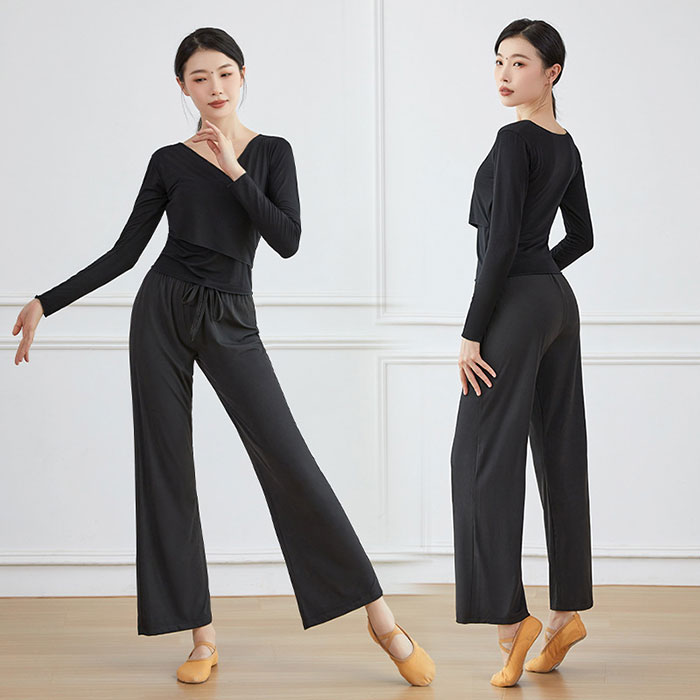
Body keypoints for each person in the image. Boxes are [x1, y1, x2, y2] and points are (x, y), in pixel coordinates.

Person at [12, 27, 435, 687]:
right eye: (199, 78)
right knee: (166, 469)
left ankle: (382, 621)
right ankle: (201, 637)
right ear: (182, 87)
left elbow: (287, 239)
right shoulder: (167, 161)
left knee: (289, 457)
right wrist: (48, 301)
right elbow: (126, 253)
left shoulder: (271, 153)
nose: (214, 87)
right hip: (161, 311)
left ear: (243, 76)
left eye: (225, 73)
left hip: (231, 315)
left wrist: (234, 167)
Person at [450, 19, 594, 688]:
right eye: (499, 61)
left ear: (551, 72)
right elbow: (582, 237)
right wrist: (543, 277)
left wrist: (474, 329)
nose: (505, 74)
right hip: (557, 304)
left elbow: (502, 241)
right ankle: (566, 613)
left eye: (520, 62)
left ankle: (512, 624)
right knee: (560, 451)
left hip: (514, 305)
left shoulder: (514, 141)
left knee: (478, 457)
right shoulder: (565, 143)